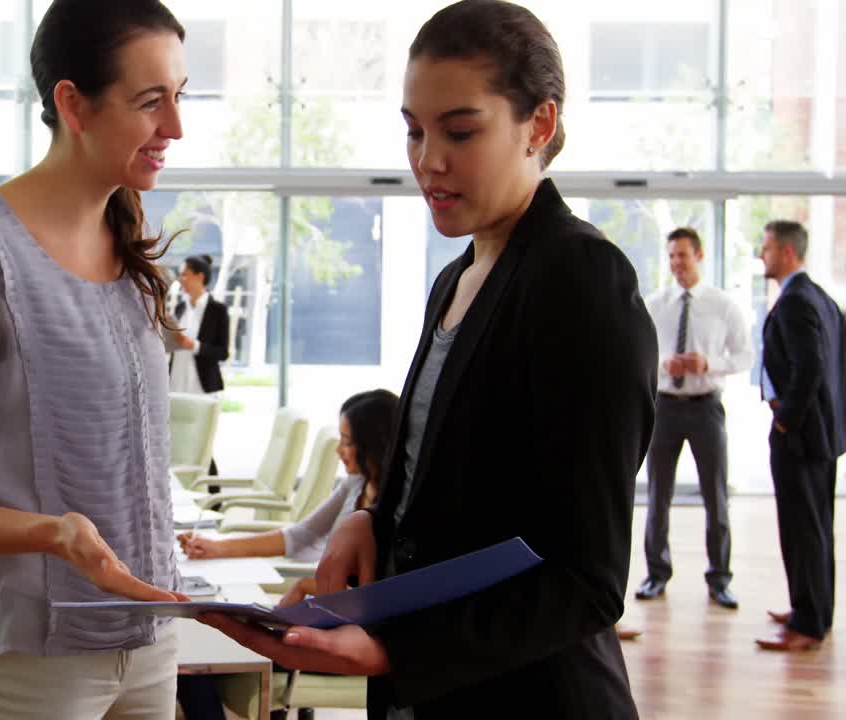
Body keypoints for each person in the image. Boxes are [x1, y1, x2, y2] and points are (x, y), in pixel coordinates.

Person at [197, 2, 657, 717]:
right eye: (414, 130)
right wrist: (370, 520)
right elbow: (451, 489)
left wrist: (399, 650)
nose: (427, 160)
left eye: (460, 131)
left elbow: (586, 577)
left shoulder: (579, 280)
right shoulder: (457, 277)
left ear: (538, 124)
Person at [0, 2, 190, 718]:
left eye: (180, 96)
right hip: (28, 659)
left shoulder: (130, 241)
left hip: (149, 644)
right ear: (73, 104)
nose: (175, 126)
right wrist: (53, 533)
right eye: (151, 102)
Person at [178, 389, 400, 608]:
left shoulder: (395, 507)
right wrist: (216, 548)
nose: (338, 450)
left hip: (347, 617)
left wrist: (305, 586)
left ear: (373, 446)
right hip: (327, 605)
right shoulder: (356, 484)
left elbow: (371, 598)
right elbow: (301, 535)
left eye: (347, 442)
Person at [636, 227, 753, 609]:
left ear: (699, 256)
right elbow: (638, 355)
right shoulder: (655, 304)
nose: (675, 263)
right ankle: (656, 574)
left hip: (705, 406)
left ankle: (720, 579)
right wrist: (661, 365)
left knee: (716, 497)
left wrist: (709, 364)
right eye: (671, 256)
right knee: (658, 496)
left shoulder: (722, 305)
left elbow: (744, 357)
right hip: (665, 406)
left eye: (682, 256)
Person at [755, 220, 844, 652]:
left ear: (787, 252)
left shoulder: (795, 301)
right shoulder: (821, 298)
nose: (761, 254)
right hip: (822, 437)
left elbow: (809, 368)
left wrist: (785, 419)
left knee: (802, 529)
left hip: (801, 437)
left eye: (767, 247)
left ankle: (807, 625)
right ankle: (813, 611)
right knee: (816, 528)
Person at [169, 254, 231, 396]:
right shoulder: (180, 308)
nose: (180, 279)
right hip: (175, 384)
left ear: (200, 277)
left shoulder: (218, 310)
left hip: (202, 387)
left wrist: (193, 345)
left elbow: (223, 353)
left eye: (184, 275)